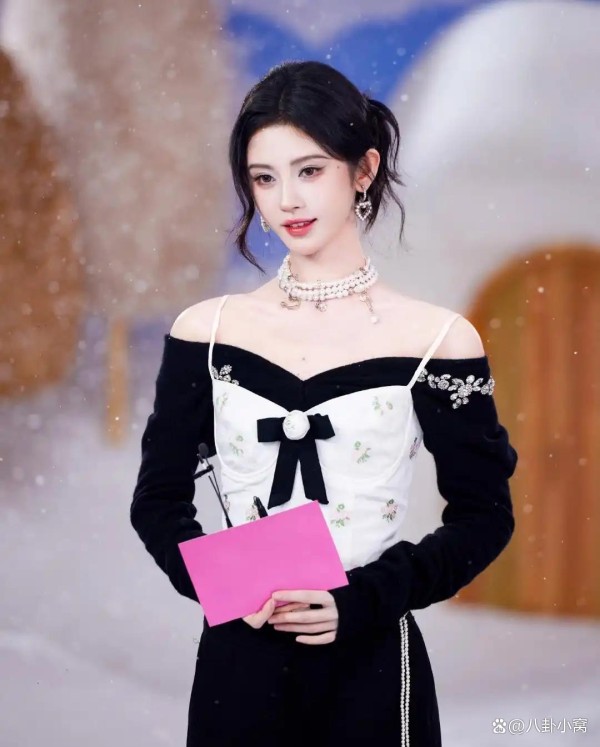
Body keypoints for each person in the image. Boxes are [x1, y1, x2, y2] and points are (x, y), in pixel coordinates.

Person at [130, 60, 518, 746]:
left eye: (309, 170)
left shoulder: (437, 340)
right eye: (264, 178)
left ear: (363, 169)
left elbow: (485, 517)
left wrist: (363, 599)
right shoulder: (206, 332)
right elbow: (158, 502)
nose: (287, 200)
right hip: (238, 667)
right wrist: (226, 586)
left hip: (371, 665)